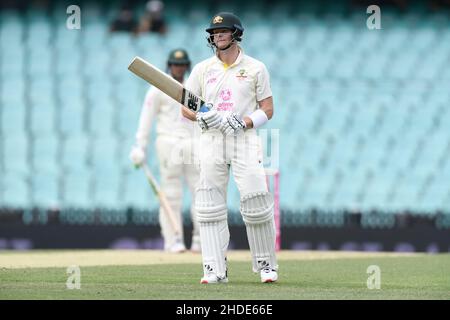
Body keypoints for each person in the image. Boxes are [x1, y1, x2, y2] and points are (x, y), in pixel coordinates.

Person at [182, 12, 278, 283]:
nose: (217, 35)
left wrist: (244, 122)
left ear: (236, 34)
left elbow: (268, 110)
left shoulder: (256, 67)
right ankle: (214, 269)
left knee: (256, 199)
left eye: (223, 31)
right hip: (210, 139)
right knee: (209, 204)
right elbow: (186, 109)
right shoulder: (202, 69)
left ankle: (266, 265)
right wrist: (202, 115)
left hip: (244, 140)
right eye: (214, 32)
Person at [130, 49, 201, 253]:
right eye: (175, 64)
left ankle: (199, 240)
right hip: (168, 143)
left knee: (200, 193)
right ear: (169, 65)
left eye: (181, 64)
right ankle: (174, 240)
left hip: (193, 142)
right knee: (171, 194)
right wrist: (139, 145)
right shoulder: (157, 88)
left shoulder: (195, 87)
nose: (178, 68)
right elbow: (146, 118)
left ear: (187, 66)